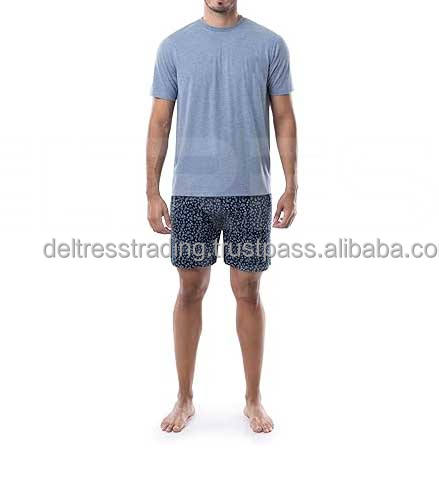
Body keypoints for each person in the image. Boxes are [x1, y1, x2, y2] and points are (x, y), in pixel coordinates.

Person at [146, 0, 297, 433]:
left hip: (250, 193)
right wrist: (152, 191)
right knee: (189, 290)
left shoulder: (270, 44)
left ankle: (253, 399)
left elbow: (284, 117)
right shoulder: (174, 47)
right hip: (191, 194)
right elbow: (160, 122)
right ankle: (184, 397)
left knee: (248, 292)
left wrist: (292, 184)